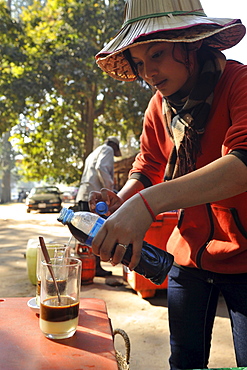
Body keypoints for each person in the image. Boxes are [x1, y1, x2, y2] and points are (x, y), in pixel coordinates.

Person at [89, 0, 247, 368]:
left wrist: (145, 205)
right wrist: (123, 199)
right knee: (183, 362)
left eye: (157, 54)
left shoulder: (239, 84)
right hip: (187, 259)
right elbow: (147, 168)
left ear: (191, 43)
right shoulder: (157, 109)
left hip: (244, 261)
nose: (149, 72)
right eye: (140, 63)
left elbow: (242, 164)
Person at [76, 136, 121, 277]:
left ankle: (89, 267)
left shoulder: (94, 152)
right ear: (113, 146)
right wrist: (110, 191)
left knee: (86, 234)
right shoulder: (107, 150)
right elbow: (101, 167)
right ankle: (95, 268)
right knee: (95, 233)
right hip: (95, 198)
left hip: (84, 195)